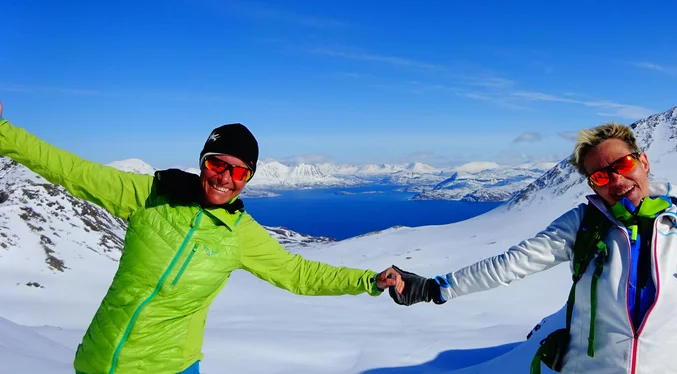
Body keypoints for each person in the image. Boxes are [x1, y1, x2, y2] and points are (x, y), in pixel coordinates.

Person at [0, 102, 399, 374]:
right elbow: (72, 170)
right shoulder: (150, 196)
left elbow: (298, 273)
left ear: (249, 178)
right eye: (217, 164)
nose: (225, 177)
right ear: (202, 163)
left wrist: (367, 281)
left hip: (170, 367)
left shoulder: (240, 234)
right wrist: (3, 133)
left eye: (240, 171)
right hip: (96, 362)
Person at [387, 122, 677, 374]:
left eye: (621, 166)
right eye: (599, 178)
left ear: (643, 161)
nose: (616, 181)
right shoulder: (582, 226)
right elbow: (510, 264)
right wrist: (434, 288)